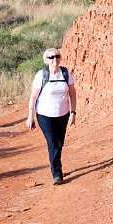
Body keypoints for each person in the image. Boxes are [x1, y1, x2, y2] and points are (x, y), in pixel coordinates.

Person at [26, 47, 77, 185]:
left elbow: (72, 93)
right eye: (51, 58)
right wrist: (30, 116)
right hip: (45, 115)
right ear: (46, 60)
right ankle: (56, 174)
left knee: (59, 143)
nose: (55, 60)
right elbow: (33, 97)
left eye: (56, 57)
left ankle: (57, 167)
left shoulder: (65, 73)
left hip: (63, 114)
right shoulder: (41, 76)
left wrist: (73, 112)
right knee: (52, 143)